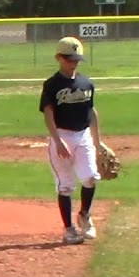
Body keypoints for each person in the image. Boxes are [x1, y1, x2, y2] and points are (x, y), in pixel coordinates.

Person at [41, 36, 104, 245]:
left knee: (90, 177)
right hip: (62, 134)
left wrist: (98, 142)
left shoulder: (86, 83)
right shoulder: (51, 85)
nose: (73, 63)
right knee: (65, 185)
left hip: (83, 134)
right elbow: (48, 114)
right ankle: (68, 229)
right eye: (69, 59)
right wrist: (57, 141)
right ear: (59, 58)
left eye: (76, 59)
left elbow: (91, 112)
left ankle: (84, 215)